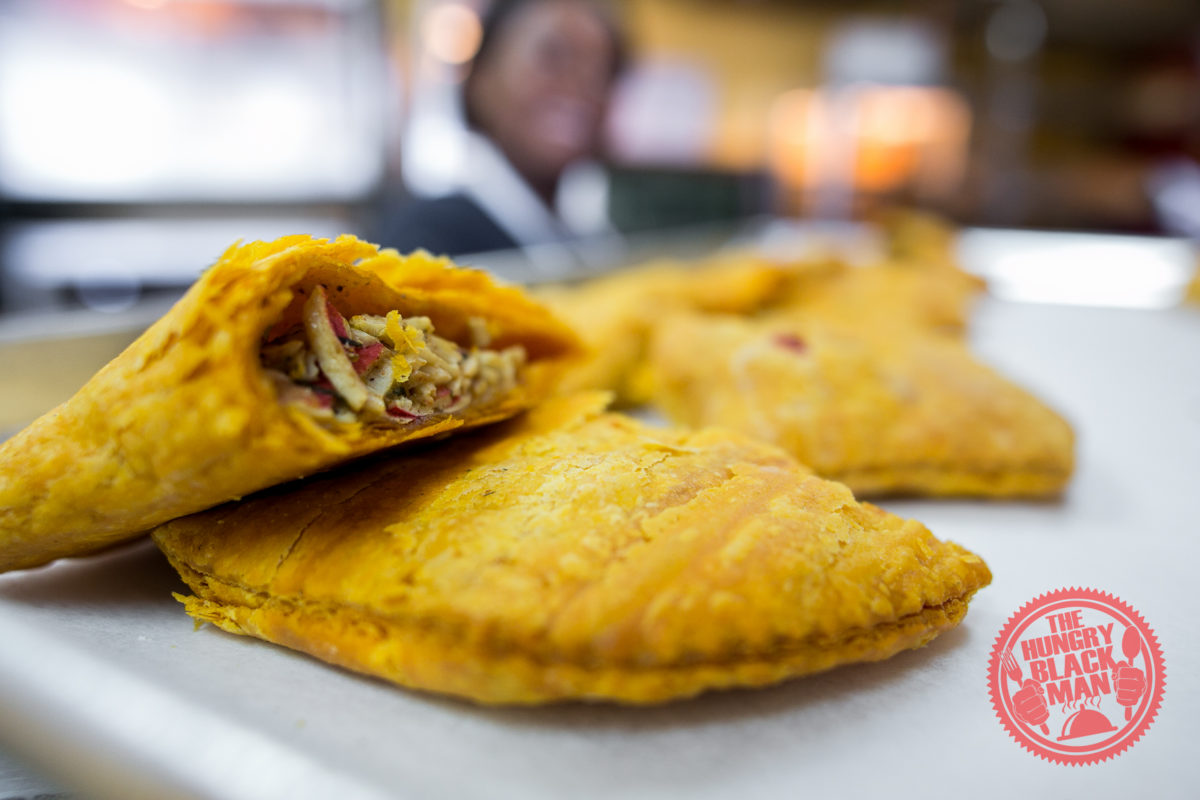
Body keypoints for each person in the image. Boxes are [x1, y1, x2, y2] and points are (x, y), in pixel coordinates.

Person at [374, 0, 624, 260]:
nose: (583, 86)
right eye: (554, 57)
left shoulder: (594, 237)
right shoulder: (424, 241)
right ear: (482, 77)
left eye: (605, 71)